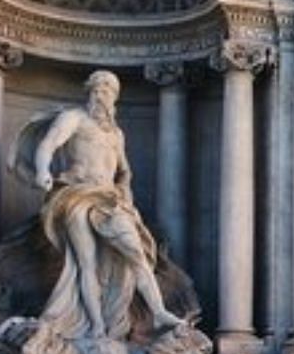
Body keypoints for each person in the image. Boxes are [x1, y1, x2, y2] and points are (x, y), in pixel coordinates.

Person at [12, 70, 184, 340]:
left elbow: (124, 171)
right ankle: (96, 327)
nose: (100, 95)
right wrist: (43, 170)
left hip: (109, 200)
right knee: (86, 263)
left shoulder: (116, 134)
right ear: (88, 93)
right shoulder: (74, 119)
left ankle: (159, 311)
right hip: (76, 195)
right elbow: (48, 143)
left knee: (137, 253)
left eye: (106, 91)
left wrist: (125, 193)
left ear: (114, 98)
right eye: (96, 90)